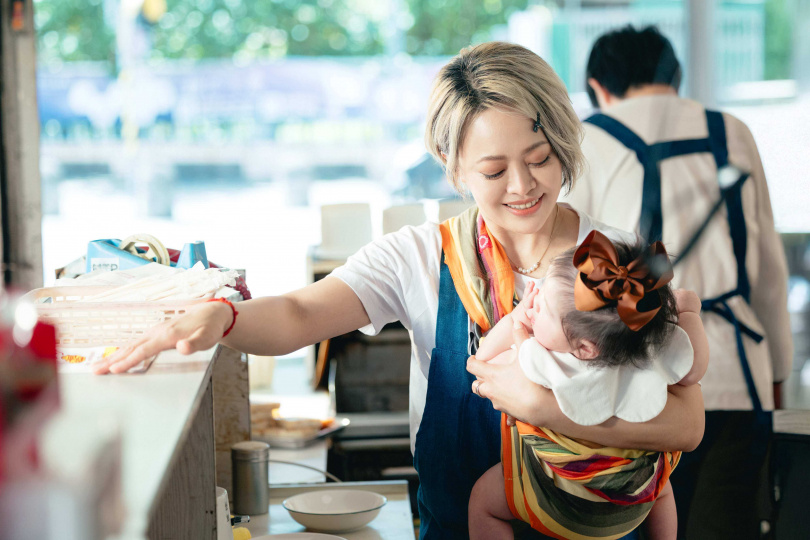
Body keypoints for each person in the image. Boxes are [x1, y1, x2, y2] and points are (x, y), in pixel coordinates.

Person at [94, 41, 707, 540]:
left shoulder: (613, 257)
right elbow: (302, 312)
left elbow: (684, 423)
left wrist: (543, 408)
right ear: (453, 166)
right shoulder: (420, 256)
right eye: (493, 171)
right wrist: (223, 318)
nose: (522, 186)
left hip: (599, 527)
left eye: (541, 158)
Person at [562, 25, 792, 538]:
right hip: (738, 371)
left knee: (638, 525)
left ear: (598, 85)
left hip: (640, 380)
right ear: (676, 76)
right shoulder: (731, 130)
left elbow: (575, 273)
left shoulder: (589, 138)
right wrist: (777, 372)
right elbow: (769, 274)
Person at [468, 232, 709, 540]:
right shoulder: (646, 346)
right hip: (633, 501)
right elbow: (692, 371)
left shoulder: (540, 358)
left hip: (564, 504)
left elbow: (485, 359)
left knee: (483, 502)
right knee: (661, 483)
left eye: (542, 307)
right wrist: (688, 312)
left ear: (584, 349)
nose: (534, 301)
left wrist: (518, 320)